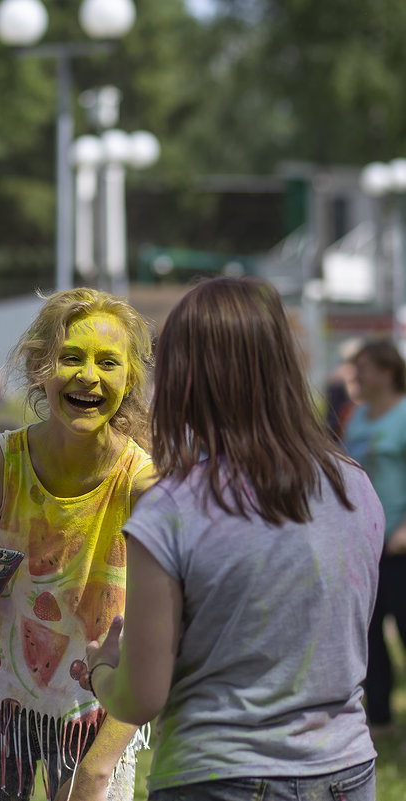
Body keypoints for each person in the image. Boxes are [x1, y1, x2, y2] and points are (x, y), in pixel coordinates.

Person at [86, 276, 384, 801]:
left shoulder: (172, 508)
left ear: (186, 378)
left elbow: (140, 698)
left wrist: (102, 667)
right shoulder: (354, 485)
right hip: (346, 771)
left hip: (218, 776)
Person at [0, 288, 155, 801]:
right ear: (39, 368)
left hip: (98, 708)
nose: (87, 376)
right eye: (70, 357)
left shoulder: (145, 487)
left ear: (130, 380)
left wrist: (100, 767)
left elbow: (159, 641)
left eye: (107, 362)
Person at [344, 339, 406, 732]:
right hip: (365, 544)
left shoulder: (403, 415)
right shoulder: (358, 415)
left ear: (386, 371)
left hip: (400, 545)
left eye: (363, 368)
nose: (356, 376)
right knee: (368, 634)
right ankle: (380, 716)